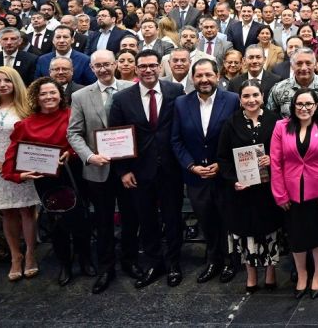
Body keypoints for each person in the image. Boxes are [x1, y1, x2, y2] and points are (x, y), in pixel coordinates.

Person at [108, 49, 187, 289]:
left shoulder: (176, 91)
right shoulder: (122, 99)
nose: (148, 70)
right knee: (147, 219)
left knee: (173, 218)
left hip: (171, 168)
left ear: (160, 68)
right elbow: (116, 136)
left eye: (152, 65)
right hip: (139, 171)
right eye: (143, 66)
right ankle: (155, 262)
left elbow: (182, 127)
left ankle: (174, 263)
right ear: (136, 69)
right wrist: (123, 171)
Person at [3, 78, 93, 286]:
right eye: (43, 93)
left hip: (73, 174)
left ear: (61, 95)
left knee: (81, 220)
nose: (49, 97)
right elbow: (12, 155)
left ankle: (86, 260)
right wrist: (18, 176)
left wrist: (70, 153)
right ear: (35, 97)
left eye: (53, 92)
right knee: (57, 224)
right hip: (46, 180)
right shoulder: (25, 125)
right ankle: (65, 265)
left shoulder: (72, 116)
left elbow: (84, 141)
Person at [66, 50, 140, 293]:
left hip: (128, 169)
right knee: (103, 220)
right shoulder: (80, 96)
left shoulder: (132, 88)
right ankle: (106, 267)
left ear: (116, 64)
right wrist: (89, 156)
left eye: (107, 64)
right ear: (91, 67)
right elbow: (73, 133)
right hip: (98, 170)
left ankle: (130, 260)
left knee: (131, 218)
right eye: (98, 66)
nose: (104, 69)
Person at [170, 59, 240, 284]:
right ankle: (213, 260)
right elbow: (176, 140)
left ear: (217, 75)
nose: (204, 80)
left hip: (224, 174)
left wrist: (222, 164)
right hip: (195, 176)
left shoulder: (232, 100)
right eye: (199, 76)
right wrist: (192, 166)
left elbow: (237, 136)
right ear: (192, 78)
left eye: (208, 75)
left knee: (227, 219)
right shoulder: (181, 103)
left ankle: (231, 260)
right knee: (206, 221)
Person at [216, 80, 284, 293]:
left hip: (268, 190)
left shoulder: (276, 121)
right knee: (246, 235)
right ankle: (251, 275)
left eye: (255, 95)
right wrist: (233, 180)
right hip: (242, 192)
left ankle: (271, 273)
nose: (251, 100)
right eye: (246, 96)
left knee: (269, 231)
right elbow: (223, 157)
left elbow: (286, 152)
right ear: (240, 99)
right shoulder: (231, 123)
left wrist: (272, 160)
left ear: (263, 96)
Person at [269, 88, 318, 299]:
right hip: (291, 194)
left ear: (316, 106)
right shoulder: (281, 127)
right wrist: (279, 194)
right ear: (293, 106)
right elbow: (276, 161)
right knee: (296, 237)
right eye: (300, 104)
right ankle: (302, 274)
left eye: (309, 104)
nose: (304, 108)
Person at [0, 66, 37, 282]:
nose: (2, 85)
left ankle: (30, 255)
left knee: (27, 210)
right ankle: (15, 256)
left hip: (23, 167)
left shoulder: (28, 109)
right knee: (7, 212)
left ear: (15, 82)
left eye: (7, 80)